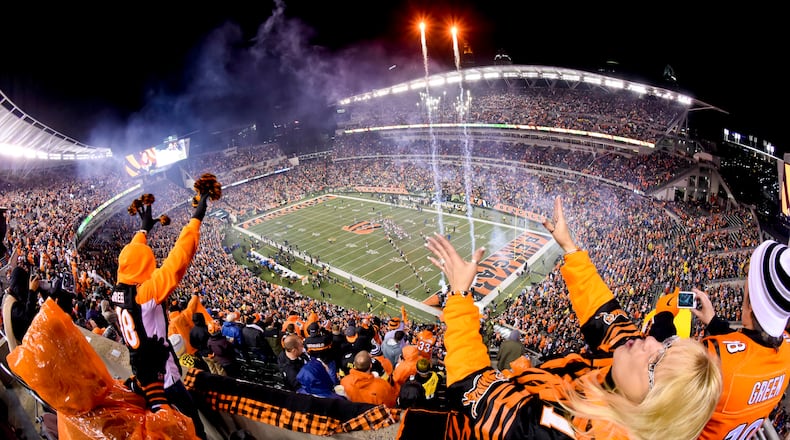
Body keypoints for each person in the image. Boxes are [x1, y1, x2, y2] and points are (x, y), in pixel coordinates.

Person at [424, 196, 723, 440]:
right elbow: (605, 315)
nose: (651, 343)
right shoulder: (627, 376)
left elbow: (476, 391)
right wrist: (570, 249)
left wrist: (460, 296)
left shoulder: (571, 432)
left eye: (655, 364)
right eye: (667, 344)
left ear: (651, 410)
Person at [111, 178, 218, 440]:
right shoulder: (146, 294)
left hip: (143, 373)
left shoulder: (119, 290)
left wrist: (143, 231)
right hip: (164, 381)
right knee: (194, 430)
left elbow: (131, 258)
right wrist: (196, 218)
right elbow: (178, 259)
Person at [672, 240, 790, 440]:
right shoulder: (786, 350)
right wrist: (713, 322)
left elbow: (659, 388)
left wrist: (664, 318)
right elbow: (751, 351)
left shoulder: (714, 355)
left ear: (751, 299)